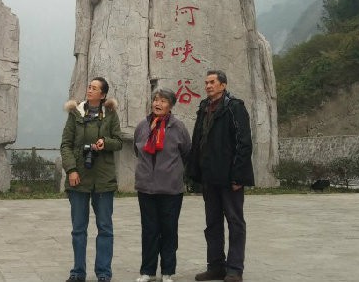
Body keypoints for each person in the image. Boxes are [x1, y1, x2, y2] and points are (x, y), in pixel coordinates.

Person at [186, 70, 254, 282]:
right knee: (212, 223)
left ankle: (234, 269)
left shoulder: (234, 107)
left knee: (235, 222)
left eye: (212, 82)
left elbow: (244, 144)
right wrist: (194, 173)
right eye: (206, 82)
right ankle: (215, 266)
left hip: (229, 177)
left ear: (223, 85)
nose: (208, 86)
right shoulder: (204, 107)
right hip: (210, 177)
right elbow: (197, 141)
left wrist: (238, 176)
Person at [60, 77, 123, 282]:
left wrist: (106, 143)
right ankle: (78, 272)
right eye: (89, 86)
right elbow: (66, 145)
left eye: (94, 88)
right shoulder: (75, 114)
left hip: (103, 179)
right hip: (79, 178)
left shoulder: (111, 115)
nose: (89, 90)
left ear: (102, 95)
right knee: (79, 229)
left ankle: (103, 273)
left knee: (105, 228)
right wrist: (71, 170)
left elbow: (119, 142)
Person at [134, 88, 192, 282]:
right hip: (146, 188)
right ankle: (147, 271)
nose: (158, 104)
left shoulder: (178, 128)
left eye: (163, 101)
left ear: (171, 105)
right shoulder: (142, 125)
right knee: (149, 229)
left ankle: (167, 271)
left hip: (170, 189)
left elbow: (186, 152)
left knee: (168, 229)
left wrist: (171, 171)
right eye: (156, 100)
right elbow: (138, 150)